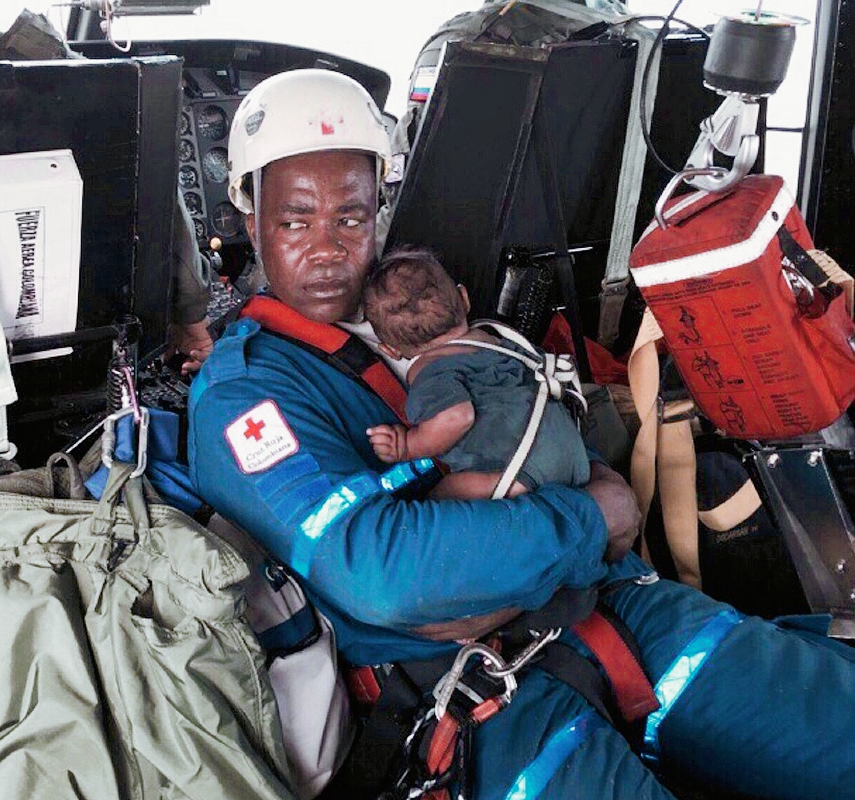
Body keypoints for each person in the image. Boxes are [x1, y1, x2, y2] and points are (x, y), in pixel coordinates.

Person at [186, 68, 855, 799]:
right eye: (294, 220)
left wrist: (583, 511)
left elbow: (550, 438)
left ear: (380, 208)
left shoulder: (421, 307)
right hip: (472, 697)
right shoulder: (246, 394)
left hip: (617, 610)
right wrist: (590, 519)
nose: (327, 248)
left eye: (350, 217)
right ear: (249, 220)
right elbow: (387, 578)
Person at [362, 245, 590, 500]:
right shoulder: (498, 341)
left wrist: (408, 445)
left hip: (518, 474)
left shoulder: (430, 370)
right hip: (574, 458)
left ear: (390, 350)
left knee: (439, 498)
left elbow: (456, 417)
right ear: (464, 298)